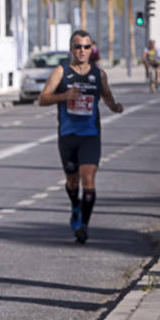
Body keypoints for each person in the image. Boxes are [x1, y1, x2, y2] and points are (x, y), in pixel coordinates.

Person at [38, 29, 123, 243]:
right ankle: (75, 206)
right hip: (67, 136)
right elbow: (43, 99)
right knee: (72, 181)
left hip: (90, 135)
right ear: (71, 49)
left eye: (87, 47)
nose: (82, 51)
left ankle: (83, 225)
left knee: (89, 179)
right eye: (78, 47)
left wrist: (115, 106)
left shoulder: (99, 74)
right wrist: (65, 95)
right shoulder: (61, 72)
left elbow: (107, 97)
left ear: (91, 49)